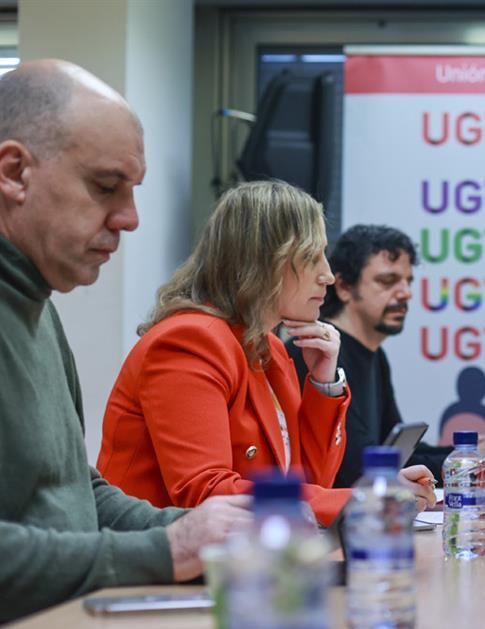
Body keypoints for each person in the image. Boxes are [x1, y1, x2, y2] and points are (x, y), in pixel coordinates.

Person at [0, 60, 251, 623]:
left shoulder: (37, 304)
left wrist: (201, 531)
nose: (130, 219)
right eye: (106, 187)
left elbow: (74, 492)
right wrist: (169, 550)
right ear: (14, 172)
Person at [97, 183, 435, 527]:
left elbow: (311, 482)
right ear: (265, 263)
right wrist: (365, 499)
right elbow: (206, 493)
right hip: (151, 566)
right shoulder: (189, 341)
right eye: (311, 257)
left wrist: (324, 384)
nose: (328, 275)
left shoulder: (268, 347)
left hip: (239, 560)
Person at [288, 224, 485, 488]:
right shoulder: (315, 353)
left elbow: (397, 452)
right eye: (387, 281)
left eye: (408, 281)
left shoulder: (377, 356)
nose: (405, 293)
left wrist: (467, 454)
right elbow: (356, 467)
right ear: (342, 287)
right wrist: (462, 464)